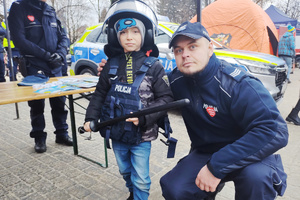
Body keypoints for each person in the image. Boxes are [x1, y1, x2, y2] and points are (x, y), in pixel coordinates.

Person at [156, 21, 288, 200]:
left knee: (256, 179)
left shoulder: (238, 85)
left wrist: (215, 167)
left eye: (192, 46)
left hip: (250, 151)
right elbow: (149, 87)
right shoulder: (177, 80)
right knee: (175, 188)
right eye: (178, 50)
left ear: (210, 48)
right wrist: (110, 74)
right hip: (207, 151)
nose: (185, 54)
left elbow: (275, 131)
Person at [84, 1, 173, 199]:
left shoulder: (154, 66)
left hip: (141, 135)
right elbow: (99, 94)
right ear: (116, 37)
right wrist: (90, 117)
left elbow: (166, 98)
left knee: (141, 177)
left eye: (134, 31)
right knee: (125, 171)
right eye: (123, 32)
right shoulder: (110, 65)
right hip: (116, 133)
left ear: (146, 34)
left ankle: (140, 194)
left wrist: (144, 118)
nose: (129, 37)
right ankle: (133, 193)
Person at [8, 0, 73, 153]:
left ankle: (62, 133)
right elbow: (19, 40)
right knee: (37, 105)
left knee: (59, 102)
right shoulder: (19, 7)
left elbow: (63, 36)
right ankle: (39, 137)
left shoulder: (50, 10)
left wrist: (60, 54)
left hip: (55, 66)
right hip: (34, 65)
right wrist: (46, 56)